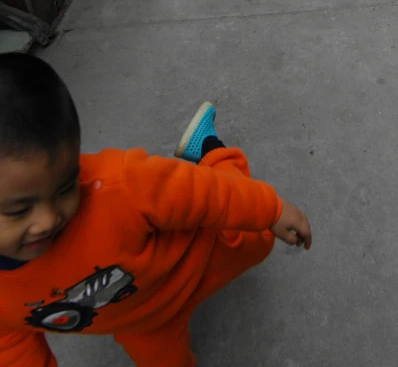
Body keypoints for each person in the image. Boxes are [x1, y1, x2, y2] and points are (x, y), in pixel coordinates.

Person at [0, 54, 311, 367]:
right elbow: (12, 347)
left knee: (257, 235)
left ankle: (212, 150)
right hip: (142, 326)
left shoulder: (119, 186)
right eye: (19, 209)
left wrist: (270, 210)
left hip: (197, 258)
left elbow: (202, 192)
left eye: (65, 188)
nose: (48, 219)